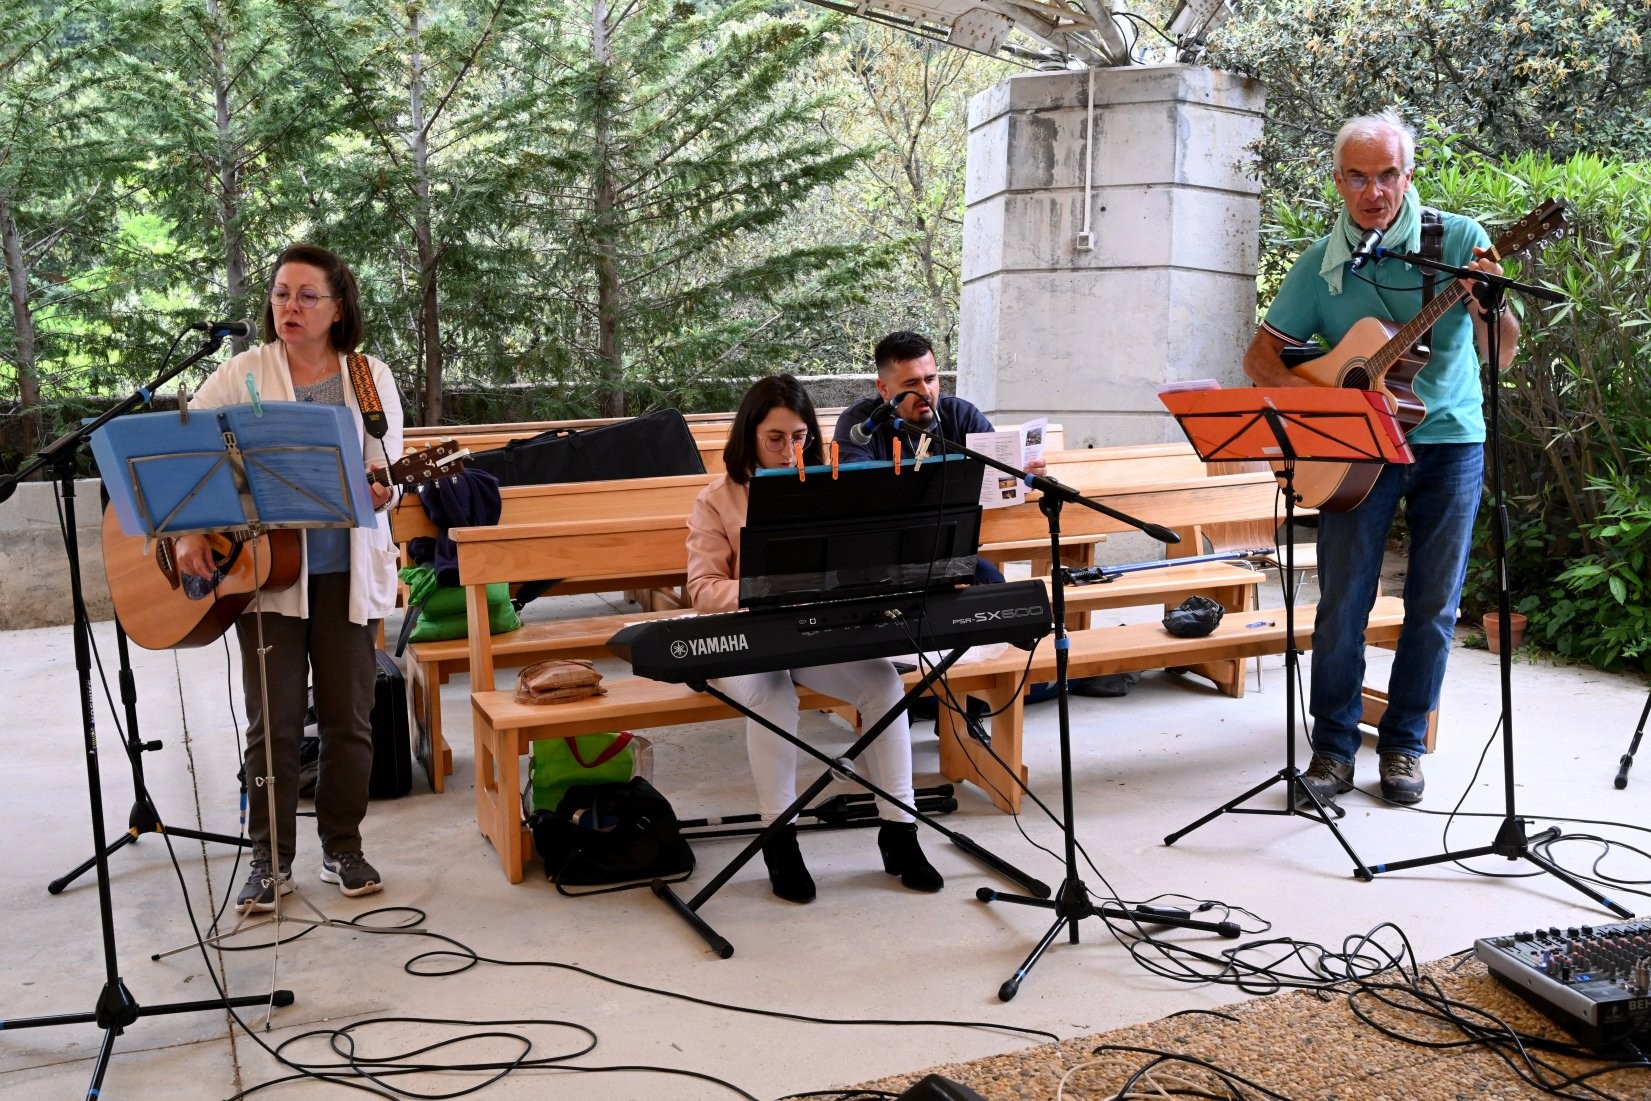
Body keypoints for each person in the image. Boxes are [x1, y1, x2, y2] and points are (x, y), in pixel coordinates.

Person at [1241, 110, 1519, 808]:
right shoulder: (1320, 263)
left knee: (1431, 603)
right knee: (1341, 603)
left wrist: (1491, 305)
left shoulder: (1457, 241)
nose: (1374, 191)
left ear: (1408, 174)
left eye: (1387, 175)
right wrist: (1324, 409)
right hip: (1354, 450)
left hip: (1449, 441)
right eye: (1358, 178)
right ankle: (1331, 750)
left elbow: (1501, 355)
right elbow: (1260, 356)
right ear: (1337, 182)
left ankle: (1400, 744)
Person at [172, 244, 402, 910]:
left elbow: (386, 469)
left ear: (338, 308)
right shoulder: (242, 371)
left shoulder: (369, 377)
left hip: (346, 572)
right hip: (266, 571)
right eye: (280, 294)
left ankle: (343, 847)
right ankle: (269, 860)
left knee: (348, 719)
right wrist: (190, 527)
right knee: (269, 725)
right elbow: (186, 452)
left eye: (306, 295)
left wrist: (382, 491)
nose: (289, 307)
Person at [686, 373, 942, 903]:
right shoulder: (718, 498)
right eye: (774, 438)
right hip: (743, 639)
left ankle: (901, 831)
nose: (787, 449)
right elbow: (703, 589)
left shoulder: (827, 485)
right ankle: (780, 836)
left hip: (812, 633)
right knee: (772, 694)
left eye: (799, 437)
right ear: (749, 435)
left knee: (882, 685)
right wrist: (765, 589)